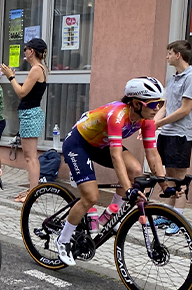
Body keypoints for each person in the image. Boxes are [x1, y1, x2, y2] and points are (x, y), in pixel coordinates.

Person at [57, 77, 168, 266]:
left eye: (161, 103)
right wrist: (129, 190)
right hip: (79, 144)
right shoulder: (118, 115)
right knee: (91, 196)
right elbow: (116, 156)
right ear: (136, 104)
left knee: (136, 170)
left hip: (101, 145)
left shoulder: (147, 120)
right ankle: (63, 240)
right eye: (154, 103)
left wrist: (166, 184)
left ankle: (112, 213)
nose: (158, 108)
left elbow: (152, 153)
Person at [0, 38, 48, 203]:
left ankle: (33, 193)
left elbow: (21, 92)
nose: (24, 52)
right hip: (31, 114)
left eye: (26, 49)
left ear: (32, 51)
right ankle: (32, 189)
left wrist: (11, 77)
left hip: (30, 114)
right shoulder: (40, 68)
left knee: (30, 157)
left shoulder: (36, 69)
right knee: (31, 156)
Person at [152, 40, 192, 234]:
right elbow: (166, 106)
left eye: (169, 53)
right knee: (168, 176)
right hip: (167, 133)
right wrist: (152, 125)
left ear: (178, 55)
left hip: (181, 134)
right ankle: (168, 214)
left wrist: (159, 123)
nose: (167, 56)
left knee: (180, 178)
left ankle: (179, 218)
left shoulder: (190, 76)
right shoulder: (173, 78)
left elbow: (185, 109)